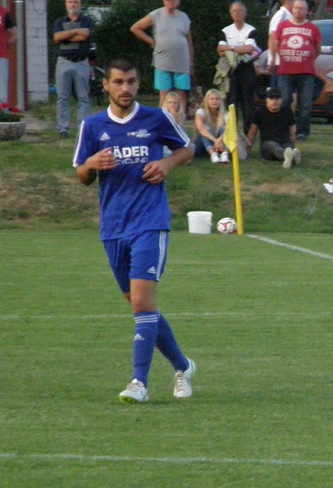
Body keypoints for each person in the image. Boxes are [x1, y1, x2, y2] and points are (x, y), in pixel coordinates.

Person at [73, 55, 195, 404]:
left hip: (150, 222)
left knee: (141, 301)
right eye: (118, 82)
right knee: (142, 305)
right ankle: (183, 366)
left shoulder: (156, 118)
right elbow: (81, 175)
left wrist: (166, 163)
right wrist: (91, 164)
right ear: (106, 85)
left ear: (139, 84)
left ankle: (139, 382)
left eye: (131, 82)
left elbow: (187, 148)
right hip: (113, 227)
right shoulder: (93, 126)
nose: (125, 88)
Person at [130, 0, 194, 113]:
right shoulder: (156, 14)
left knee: (182, 94)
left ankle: (180, 121)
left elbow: (189, 41)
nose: (171, 2)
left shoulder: (184, 17)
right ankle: (162, 120)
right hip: (163, 61)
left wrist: (191, 63)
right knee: (164, 94)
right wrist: (151, 41)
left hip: (182, 61)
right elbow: (135, 28)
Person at [269, 0, 320, 140]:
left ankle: (302, 131)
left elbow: (318, 49)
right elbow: (275, 43)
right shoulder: (283, 25)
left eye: (302, 9)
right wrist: (279, 58)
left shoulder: (313, 28)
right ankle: (284, 128)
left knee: (305, 104)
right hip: (285, 71)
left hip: (306, 71)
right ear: (293, 9)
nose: (298, 11)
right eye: (296, 8)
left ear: (307, 11)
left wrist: (306, 58)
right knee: (284, 100)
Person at [53, 0, 94, 139]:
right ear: (66, 4)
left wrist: (66, 35)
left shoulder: (87, 21)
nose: (73, 5)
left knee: (83, 97)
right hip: (63, 62)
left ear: (80, 4)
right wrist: (76, 30)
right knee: (62, 97)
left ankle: (82, 128)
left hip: (81, 62)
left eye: (76, 2)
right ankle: (63, 128)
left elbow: (85, 36)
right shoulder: (59, 21)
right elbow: (57, 37)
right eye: (70, 2)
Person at [217, 1, 260, 135]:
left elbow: (249, 49)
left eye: (240, 11)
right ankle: (232, 132)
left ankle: (248, 133)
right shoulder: (225, 30)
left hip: (246, 68)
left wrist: (230, 48)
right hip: (231, 69)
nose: (237, 13)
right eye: (234, 11)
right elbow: (220, 51)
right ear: (231, 14)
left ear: (245, 14)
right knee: (232, 101)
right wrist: (238, 49)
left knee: (247, 102)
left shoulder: (251, 30)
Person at [246, 86, 300, 167]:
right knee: (273, 146)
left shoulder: (287, 111)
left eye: (277, 99)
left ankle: (291, 154)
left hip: (284, 142)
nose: (274, 101)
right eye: (271, 98)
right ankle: (288, 156)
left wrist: (292, 144)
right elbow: (252, 132)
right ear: (267, 101)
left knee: (288, 147)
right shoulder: (259, 112)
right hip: (267, 144)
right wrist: (247, 151)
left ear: (281, 100)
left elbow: (292, 132)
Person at [193, 87, 230, 163]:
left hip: (219, 144)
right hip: (202, 145)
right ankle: (213, 154)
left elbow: (230, 129)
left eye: (217, 99)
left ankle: (224, 153)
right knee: (205, 130)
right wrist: (215, 141)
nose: (214, 101)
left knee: (224, 129)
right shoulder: (201, 112)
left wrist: (219, 140)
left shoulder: (226, 114)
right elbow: (200, 128)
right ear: (207, 101)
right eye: (212, 99)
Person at [0, 0, 16, 107]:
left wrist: (5, 45)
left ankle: (2, 111)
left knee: (2, 87)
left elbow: (14, 35)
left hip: (1, 56)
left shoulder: (4, 13)